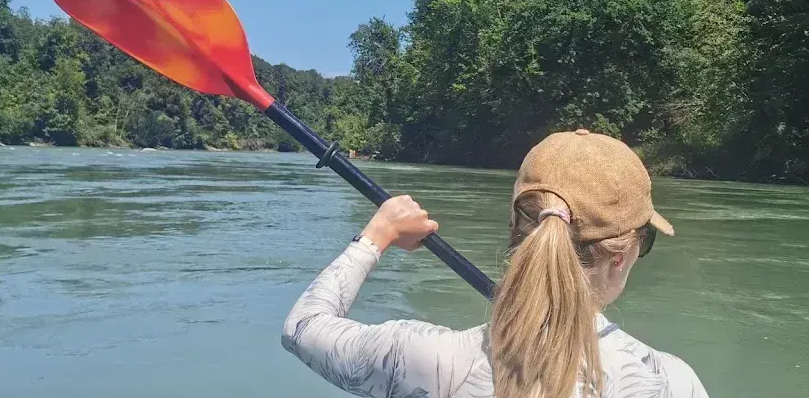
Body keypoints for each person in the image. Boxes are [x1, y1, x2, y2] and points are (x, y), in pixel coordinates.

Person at [281, 129, 709, 398]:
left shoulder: (426, 359)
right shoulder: (670, 383)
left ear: (516, 230)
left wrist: (378, 235)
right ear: (623, 254)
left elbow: (302, 328)